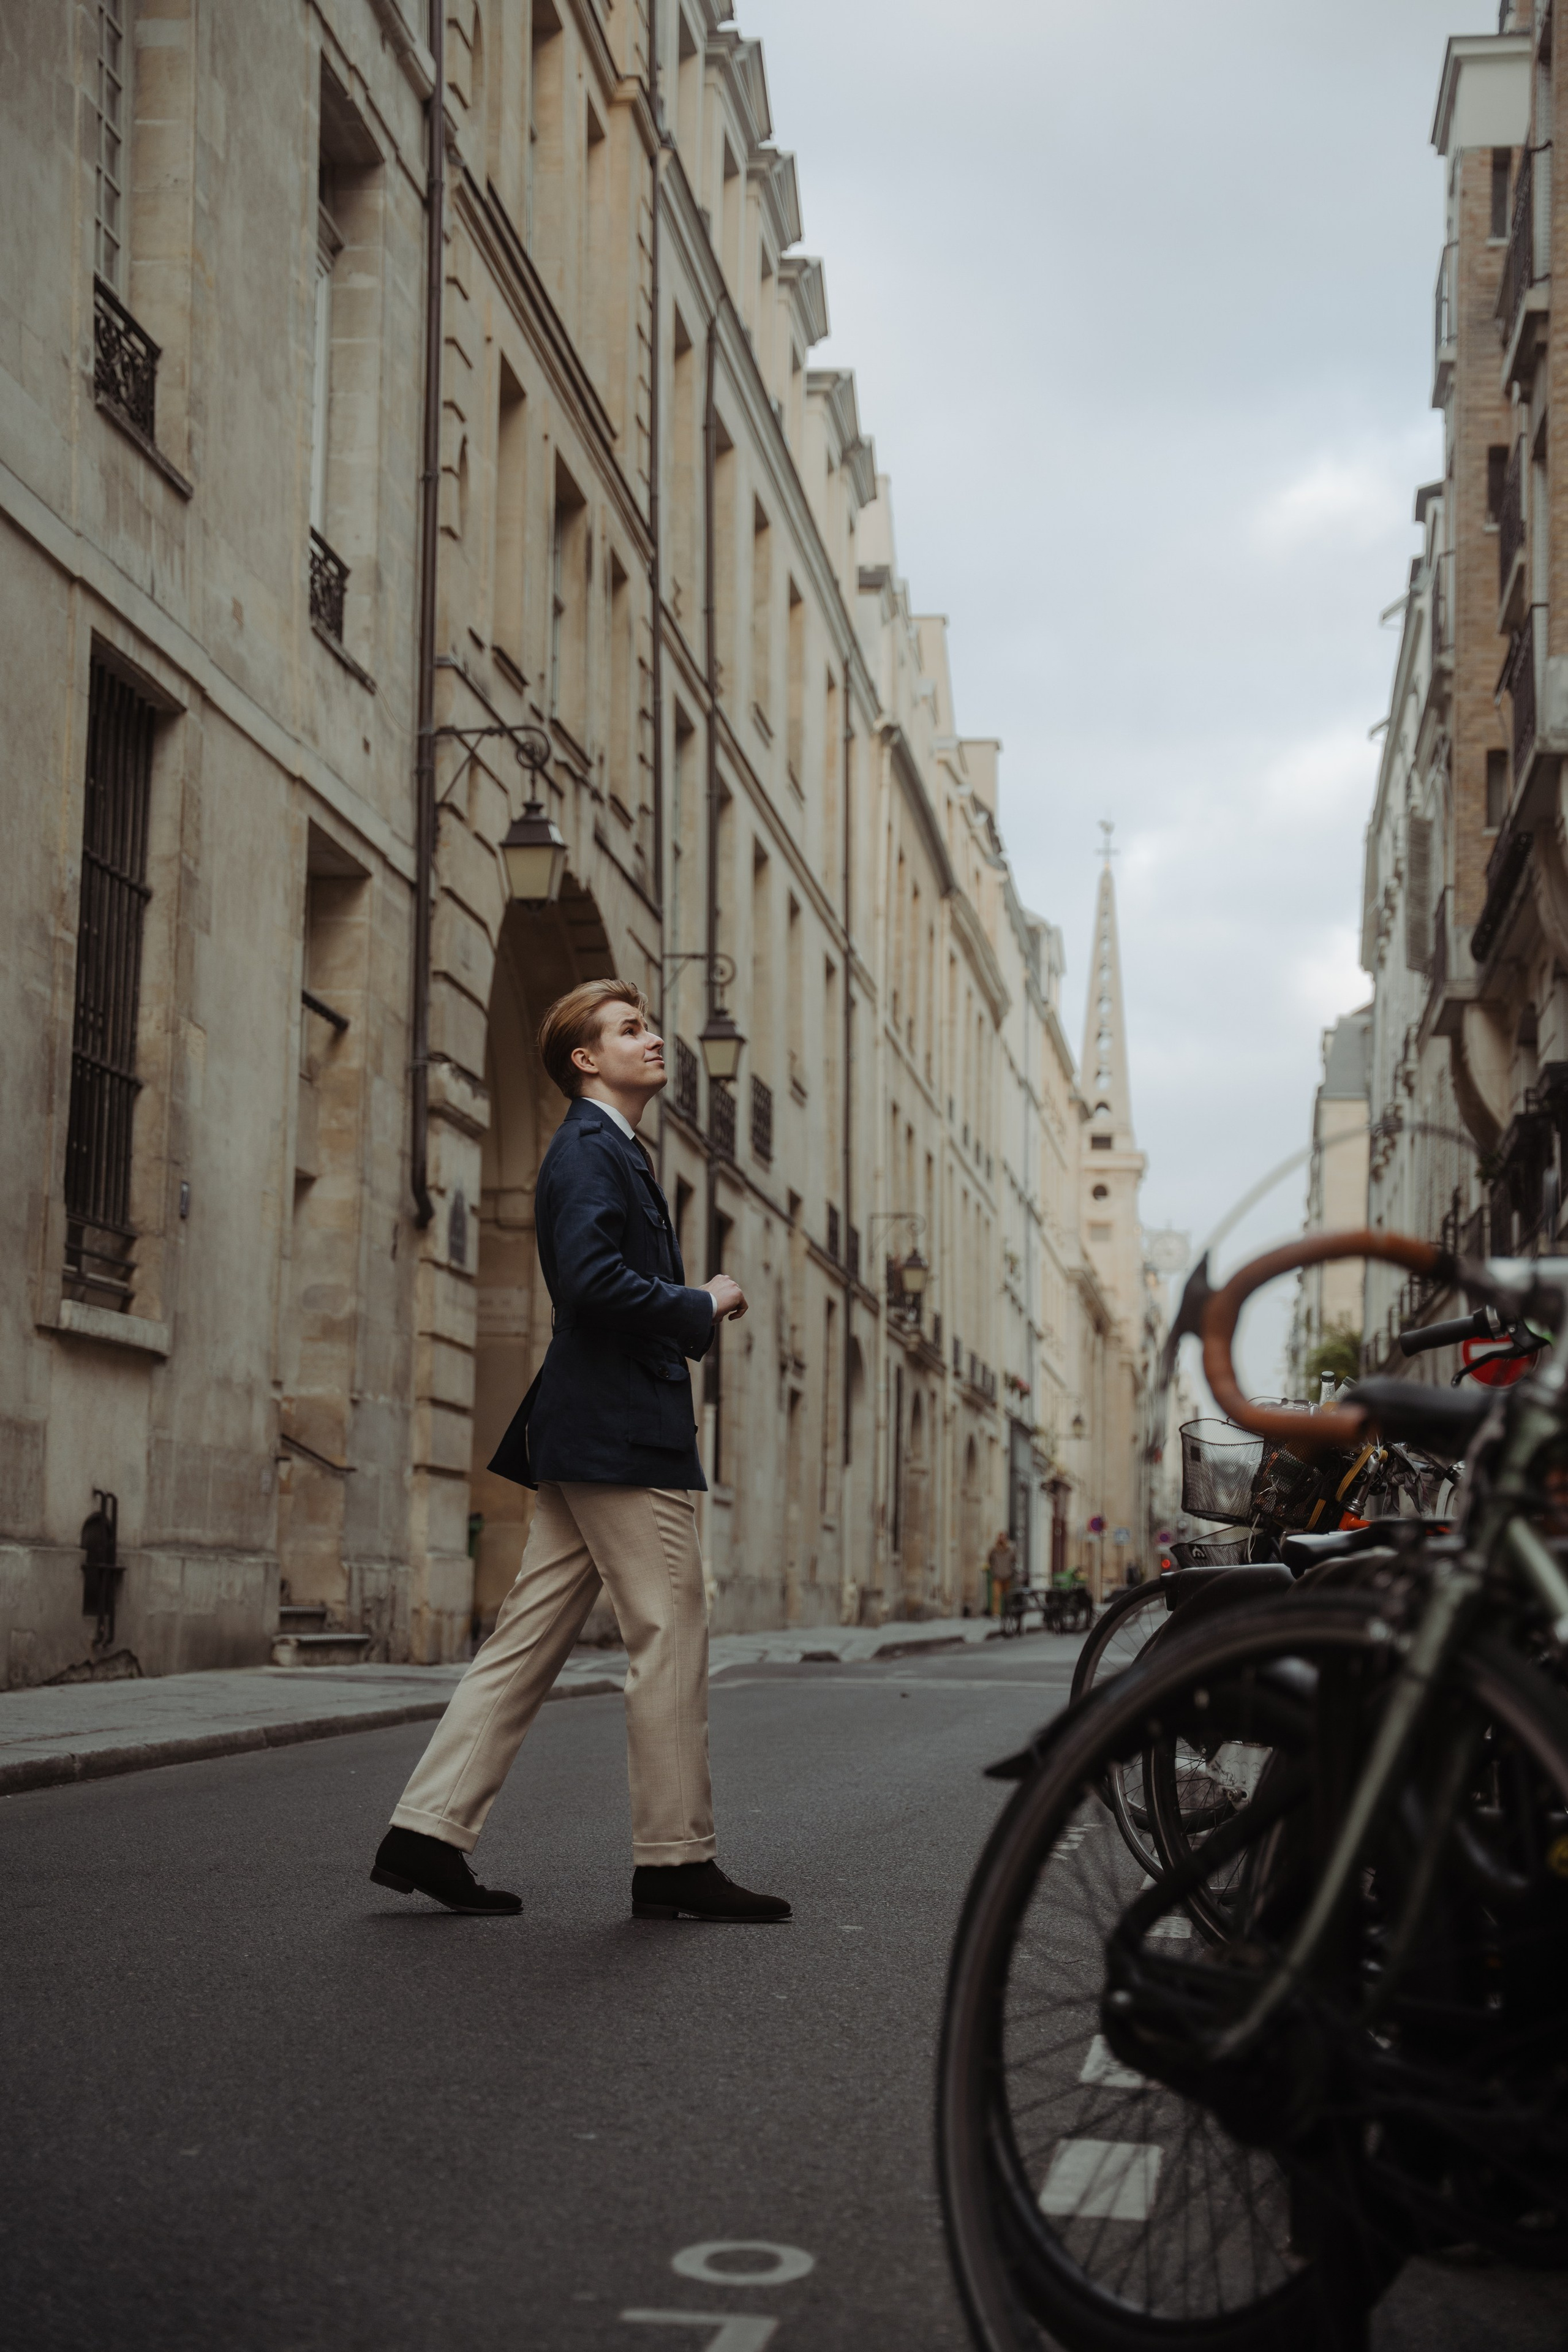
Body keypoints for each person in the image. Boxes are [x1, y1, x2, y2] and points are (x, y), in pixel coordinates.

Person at [370, 978, 790, 1926]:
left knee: (524, 1641)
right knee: (670, 1630)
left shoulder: (611, 1149)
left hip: (591, 1426)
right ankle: (675, 1858)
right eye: (630, 1030)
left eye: (649, 1026)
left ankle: (425, 1832)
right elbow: (594, 1283)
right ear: (586, 1059)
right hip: (621, 1433)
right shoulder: (592, 1149)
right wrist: (700, 1302)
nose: (655, 1040)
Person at [987, 1529, 1017, 1618]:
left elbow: (1014, 1561)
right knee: (996, 1596)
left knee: (1008, 1597)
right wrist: (994, 1570)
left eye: (1004, 1537)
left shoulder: (1010, 1550)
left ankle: (1008, 1612)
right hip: (997, 1576)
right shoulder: (994, 1550)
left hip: (1008, 1576)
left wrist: (1011, 1572)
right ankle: (996, 1613)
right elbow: (990, 1561)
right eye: (1001, 1537)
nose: (1002, 1539)